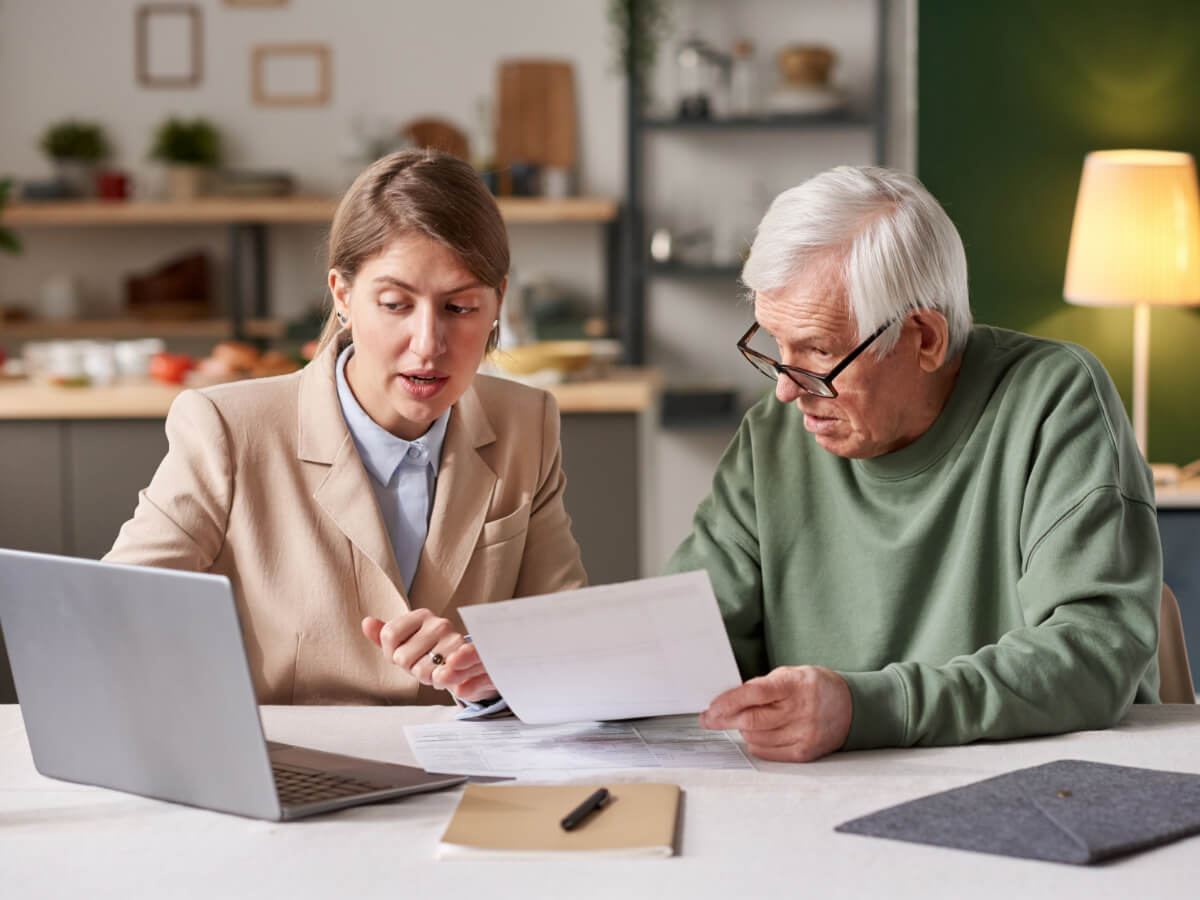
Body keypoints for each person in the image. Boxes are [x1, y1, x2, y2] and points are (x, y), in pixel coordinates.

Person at [668, 165, 1161, 762]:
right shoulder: (773, 436)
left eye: (819, 352)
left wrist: (866, 709)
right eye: (774, 346)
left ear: (925, 337)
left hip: (1040, 785)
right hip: (816, 807)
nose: (786, 391)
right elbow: (688, 639)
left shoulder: (1056, 402)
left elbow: (1094, 657)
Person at [106, 149, 587, 707]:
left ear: (499, 302)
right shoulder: (229, 432)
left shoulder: (527, 423)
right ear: (342, 296)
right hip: (294, 776)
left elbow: (566, 646)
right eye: (395, 304)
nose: (428, 345)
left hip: (467, 777)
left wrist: (490, 674)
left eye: (459, 308)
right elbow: (111, 615)